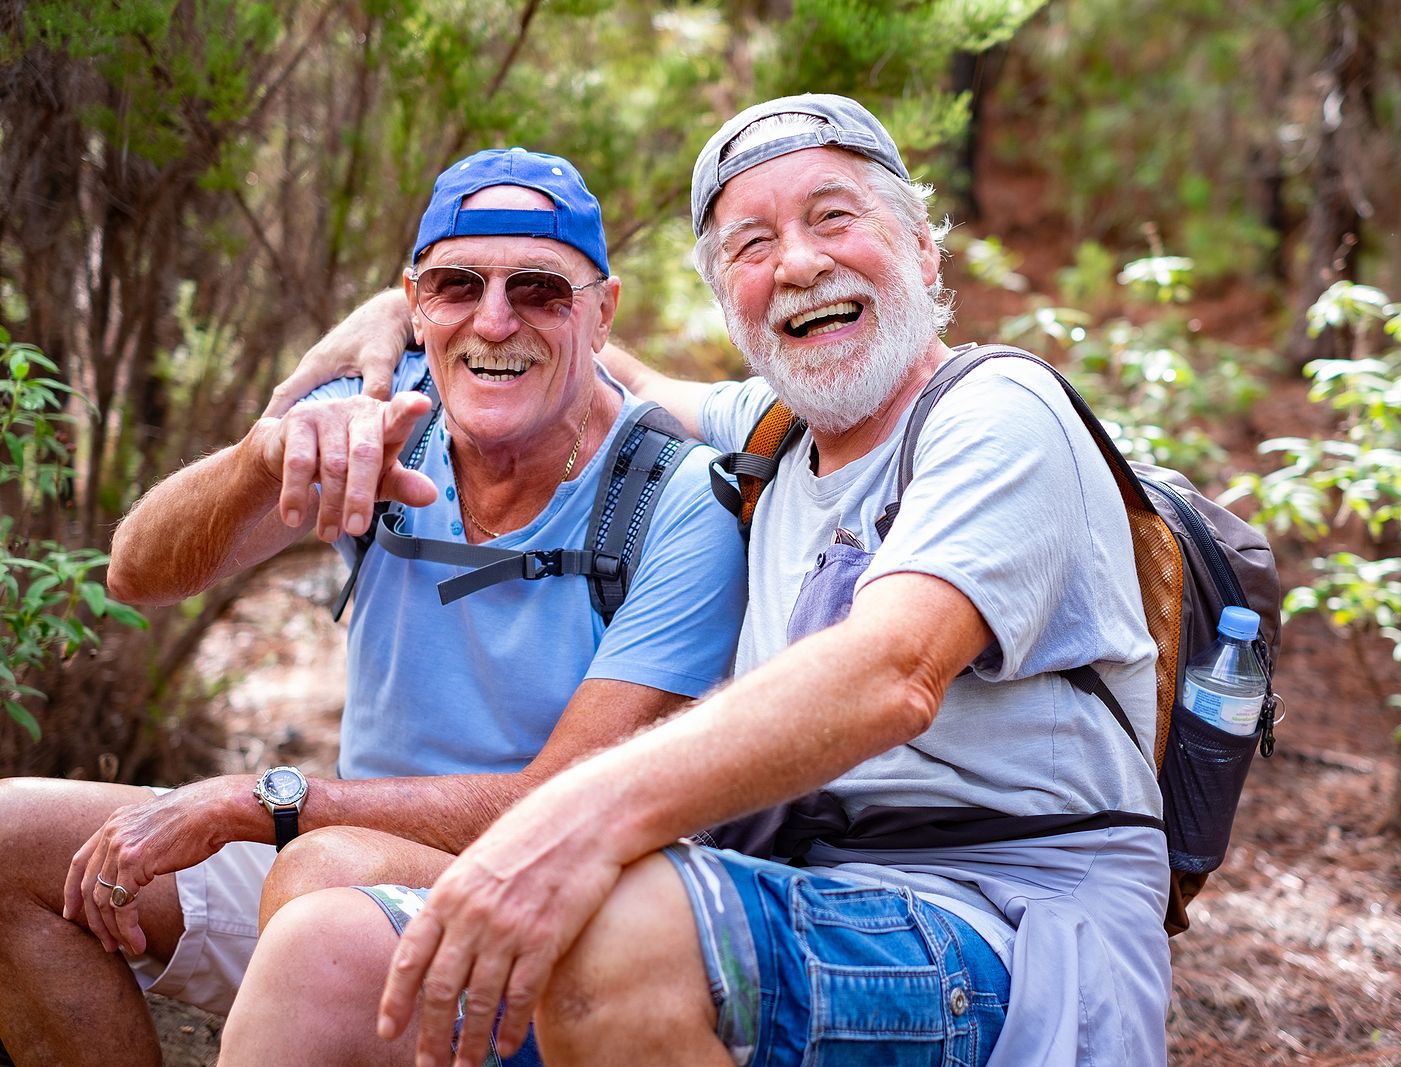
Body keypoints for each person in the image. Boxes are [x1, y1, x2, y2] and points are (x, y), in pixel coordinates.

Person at [221, 94, 1171, 1067]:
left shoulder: (997, 408)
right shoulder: (778, 429)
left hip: (1003, 919)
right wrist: (423, 308)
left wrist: (572, 818)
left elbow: (893, 669)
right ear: (731, 301)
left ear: (925, 249)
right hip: (792, 902)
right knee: (325, 944)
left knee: (606, 923)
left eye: (833, 217)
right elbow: (596, 361)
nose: (798, 262)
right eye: (751, 244)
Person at [0, 148, 746, 1067]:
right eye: (458, 284)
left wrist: (258, 800)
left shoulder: (675, 500)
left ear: (604, 308)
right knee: (10, 838)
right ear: (415, 302)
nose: (496, 319)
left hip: (547, 891)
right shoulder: (386, 419)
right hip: (335, 851)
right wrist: (263, 457)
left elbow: (562, 800)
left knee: (323, 875)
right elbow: (136, 572)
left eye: (542, 289)